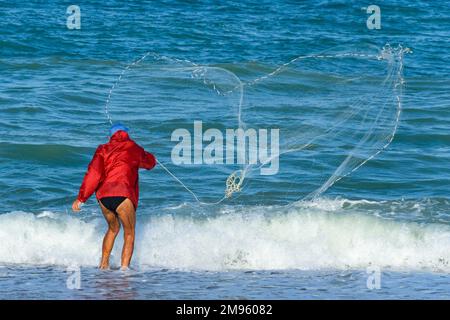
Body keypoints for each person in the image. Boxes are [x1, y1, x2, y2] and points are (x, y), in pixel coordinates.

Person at [72, 123, 156, 270]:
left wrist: (81, 198)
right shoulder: (133, 147)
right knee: (129, 233)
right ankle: (124, 271)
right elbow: (149, 163)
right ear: (127, 134)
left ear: (111, 136)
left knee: (113, 228)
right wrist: (150, 156)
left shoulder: (102, 149)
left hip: (104, 197)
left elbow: (94, 174)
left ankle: (103, 266)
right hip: (123, 194)